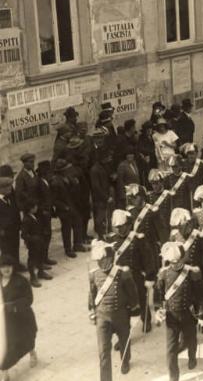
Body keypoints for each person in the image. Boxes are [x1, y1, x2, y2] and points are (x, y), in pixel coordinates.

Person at [88, 241, 140, 381]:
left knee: (124, 341)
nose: (100, 263)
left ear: (110, 258)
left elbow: (132, 293)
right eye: (98, 260)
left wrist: (135, 312)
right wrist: (91, 312)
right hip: (102, 317)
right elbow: (92, 295)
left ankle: (125, 361)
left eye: (103, 260)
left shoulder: (123, 273)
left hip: (120, 314)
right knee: (103, 352)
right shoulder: (93, 275)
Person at [155, 241, 203, 381]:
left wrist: (202, 315)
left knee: (190, 340)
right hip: (171, 316)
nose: (175, 265)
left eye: (177, 261)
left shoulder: (192, 272)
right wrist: (158, 310)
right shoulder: (163, 274)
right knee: (171, 348)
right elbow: (158, 295)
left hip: (188, 314)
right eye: (172, 262)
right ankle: (173, 377)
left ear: (182, 259)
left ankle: (192, 357)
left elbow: (201, 295)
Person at [0, 255, 38, 381]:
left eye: (9, 266)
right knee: (7, 346)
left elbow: (29, 299)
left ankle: (32, 353)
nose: (6, 269)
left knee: (27, 339)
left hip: (22, 318)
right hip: (6, 321)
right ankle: (5, 371)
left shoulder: (21, 281)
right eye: (3, 267)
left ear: (13, 267)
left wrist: (11, 306)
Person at [50, 159, 85, 257]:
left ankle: (78, 244)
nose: (68, 170)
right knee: (67, 229)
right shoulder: (55, 182)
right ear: (61, 171)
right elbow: (54, 199)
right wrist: (65, 207)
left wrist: (76, 184)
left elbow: (73, 191)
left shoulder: (68, 177)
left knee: (78, 223)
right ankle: (68, 249)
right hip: (64, 209)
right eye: (65, 169)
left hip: (73, 206)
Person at [21, 203, 52, 287]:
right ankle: (32, 277)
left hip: (39, 241)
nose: (37, 207)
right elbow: (24, 235)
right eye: (35, 206)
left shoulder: (34, 216)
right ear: (31, 208)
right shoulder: (26, 219)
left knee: (41, 256)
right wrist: (33, 239)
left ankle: (41, 272)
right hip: (33, 244)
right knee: (32, 259)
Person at [0, 177, 24, 270]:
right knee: (6, 250)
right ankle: (6, 268)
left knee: (15, 247)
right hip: (4, 232)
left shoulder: (10, 198)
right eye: (8, 187)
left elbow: (15, 212)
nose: (10, 188)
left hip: (14, 228)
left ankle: (16, 265)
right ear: (1, 189)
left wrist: (20, 225)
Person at [90, 150, 115, 239]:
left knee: (107, 215)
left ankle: (107, 232)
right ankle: (101, 236)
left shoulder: (104, 166)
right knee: (100, 218)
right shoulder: (95, 169)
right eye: (107, 157)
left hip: (105, 195)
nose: (109, 159)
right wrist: (106, 197)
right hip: (100, 198)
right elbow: (96, 187)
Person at [36, 161, 56, 266]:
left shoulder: (45, 181)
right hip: (43, 214)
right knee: (44, 235)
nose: (50, 173)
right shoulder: (39, 183)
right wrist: (43, 210)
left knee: (47, 235)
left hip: (47, 212)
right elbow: (38, 199)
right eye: (48, 171)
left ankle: (45, 257)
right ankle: (41, 260)